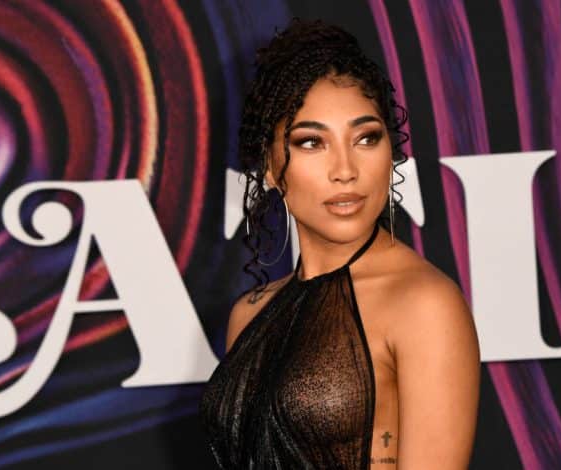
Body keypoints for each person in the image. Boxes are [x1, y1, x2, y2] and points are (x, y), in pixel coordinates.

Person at [199, 17, 480, 469]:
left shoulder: (424, 303)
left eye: (366, 137)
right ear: (270, 168)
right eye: (312, 143)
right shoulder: (249, 315)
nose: (345, 169)